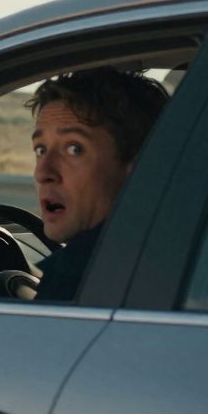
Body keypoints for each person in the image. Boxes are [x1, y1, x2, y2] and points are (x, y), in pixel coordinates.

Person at [26, 67, 168, 301]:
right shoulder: (167, 253)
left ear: (136, 169)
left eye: (74, 149)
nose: (43, 172)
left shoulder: (85, 282)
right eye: (40, 149)